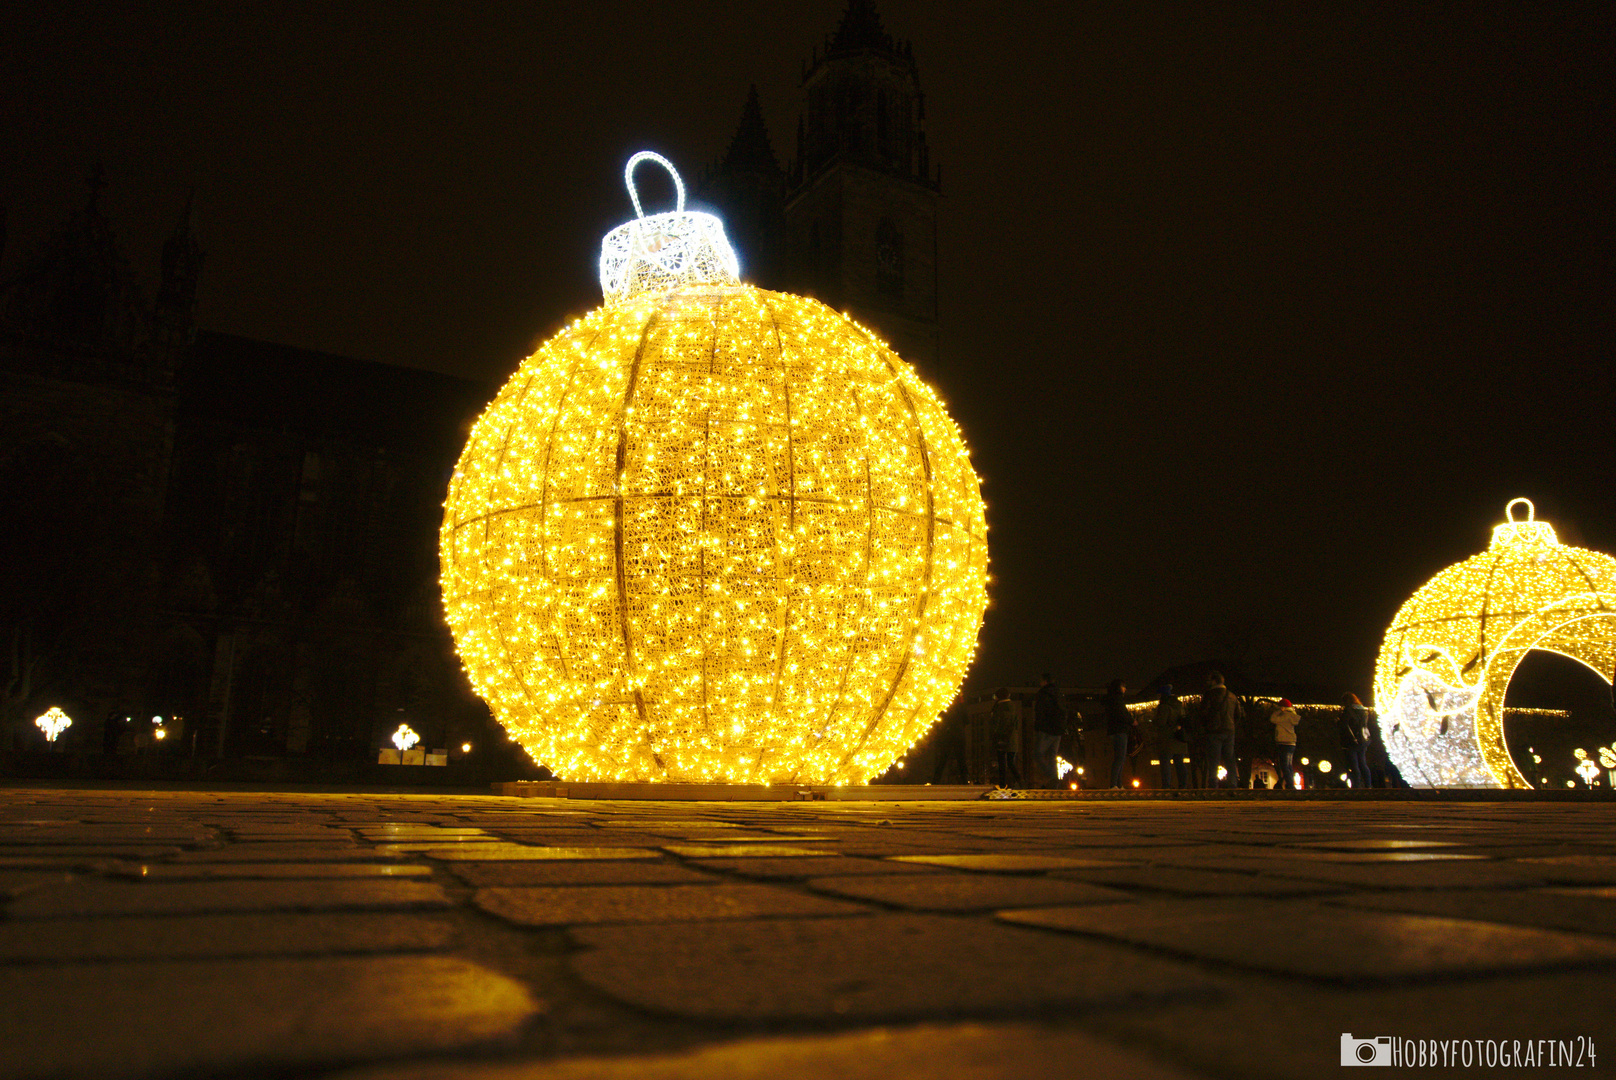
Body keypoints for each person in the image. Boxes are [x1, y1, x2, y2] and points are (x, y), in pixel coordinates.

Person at [1200, 672, 1243, 788]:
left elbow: (1203, 712)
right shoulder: (1232, 696)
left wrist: (1205, 726)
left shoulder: (1210, 695)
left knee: (1214, 758)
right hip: (1229, 731)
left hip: (1214, 730)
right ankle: (1233, 782)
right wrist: (1232, 725)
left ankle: (1213, 782)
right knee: (1230, 758)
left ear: (1214, 681)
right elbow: (1238, 714)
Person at [1153, 684, 1188, 788]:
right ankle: (1183, 785)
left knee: (1165, 763)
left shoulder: (1164, 706)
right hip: (1179, 738)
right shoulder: (1179, 705)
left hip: (1167, 739)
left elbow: (1160, 722)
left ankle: (1166, 786)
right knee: (1180, 763)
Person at [1033, 674, 1065, 788]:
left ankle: (1052, 776)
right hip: (1058, 729)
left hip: (1046, 729)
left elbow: (1041, 712)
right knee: (1052, 756)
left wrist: (1038, 726)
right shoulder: (1059, 693)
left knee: (1038, 754)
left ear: (1045, 681)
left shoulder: (1043, 694)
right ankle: (1054, 783)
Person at [929, 702, 968, 785]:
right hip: (958, 736)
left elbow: (940, 720)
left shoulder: (945, 707)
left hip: (947, 735)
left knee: (942, 759)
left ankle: (936, 781)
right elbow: (966, 720)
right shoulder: (960, 706)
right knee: (961, 760)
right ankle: (964, 781)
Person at [1104, 678, 1133, 789]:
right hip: (1119, 730)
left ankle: (1118, 784)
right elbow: (1122, 714)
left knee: (1119, 758)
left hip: (1114, 730)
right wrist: (1131, 721)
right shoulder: (1117, 700)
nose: (1125, 689)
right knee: (1120, 758)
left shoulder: (1111, 699)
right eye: (1123, 686)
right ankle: (1114, 784)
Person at [1340, 692, 1372, 789]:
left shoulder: (1348, 711)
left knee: (1354, 765)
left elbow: (1343, 725)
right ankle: (1368, 785)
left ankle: (1356, 786)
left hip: (1351, 740)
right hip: (1363, 739)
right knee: (1363, 763)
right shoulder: (1364, 710)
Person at [990, 687, 1021, 787]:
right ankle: (1020, 781)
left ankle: (1002, 784)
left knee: (1002, 763)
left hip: (1001, 738)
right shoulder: (1013, 706)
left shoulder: (999, 707)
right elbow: (1016, 723)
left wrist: (994, 735)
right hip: (1012, 739)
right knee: (1011, 762)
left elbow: (995, 723)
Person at [1270, 698, 1300, 790]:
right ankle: (1290, 783)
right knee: (1289, 765)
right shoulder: (1292, 715)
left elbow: (1272, 719)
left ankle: (1290, 785)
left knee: (1284, 766)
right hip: (1291, 743)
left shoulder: (1283, 716)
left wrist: (1278, 711)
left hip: (1283, 742)